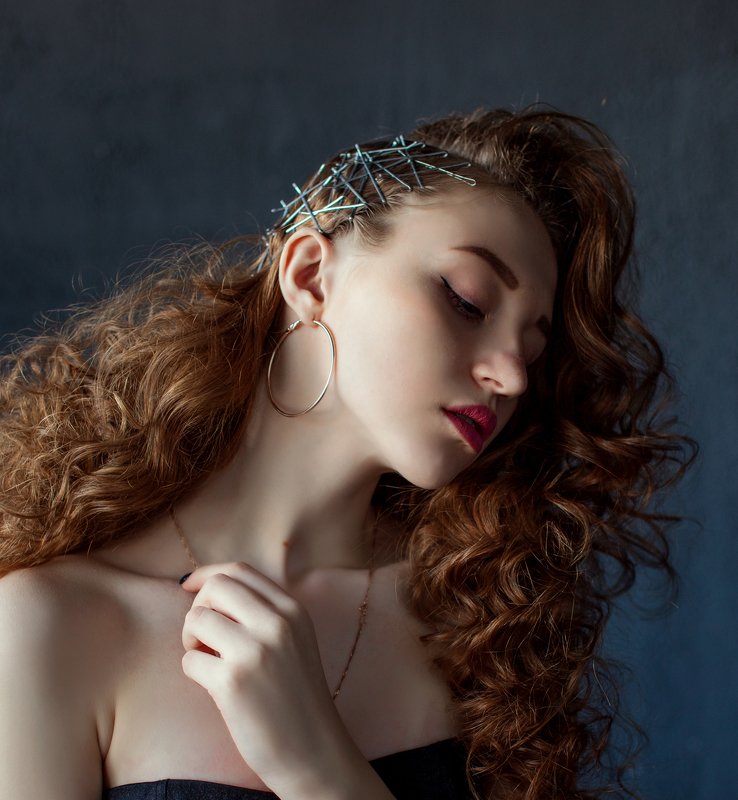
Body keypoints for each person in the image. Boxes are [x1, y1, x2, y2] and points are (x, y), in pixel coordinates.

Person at [0, 107, 694, 800]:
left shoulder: (481, 625)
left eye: (532, 352)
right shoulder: (49, 628)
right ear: (309, 276)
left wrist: (315, 764)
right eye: (467, 301)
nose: (510, 376)